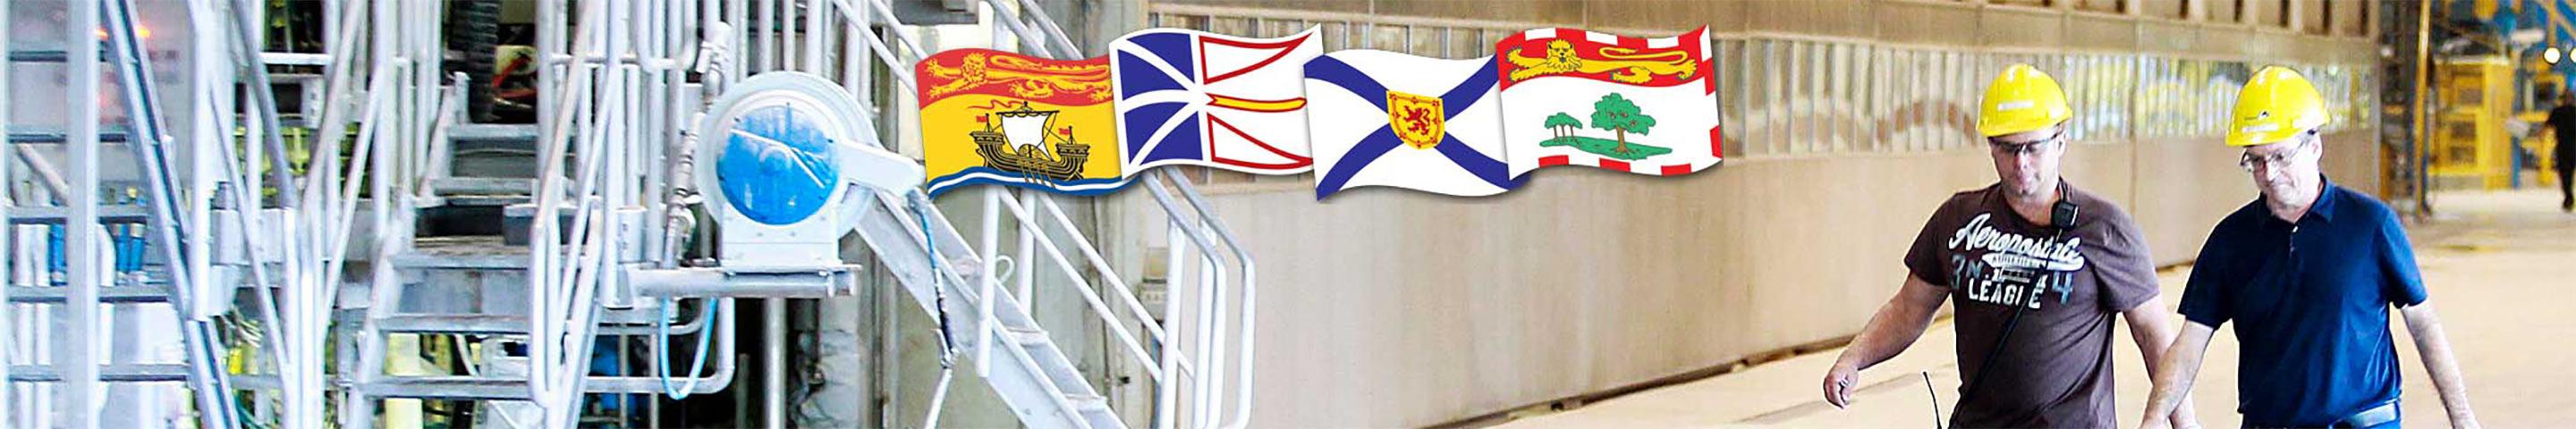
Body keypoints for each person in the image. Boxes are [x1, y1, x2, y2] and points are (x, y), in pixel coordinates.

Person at [1819, 63, 2193, 427]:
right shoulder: (1957, 219)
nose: (2020, 163)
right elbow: (1908, 309)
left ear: (2061, 141)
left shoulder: (2105, 229)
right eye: (2007, 148)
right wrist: (1853, 359)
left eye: (2033, 148)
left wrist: (2179, 422)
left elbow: (2154, 336)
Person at [2139, 66, 2479, 429]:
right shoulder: (2231, 240)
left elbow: (2423, 323)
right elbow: (2190, 342)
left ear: (2314, 146)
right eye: (2256, 160)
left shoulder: (2370, 225)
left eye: (2281, 157)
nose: (2268, 173)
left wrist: (2462, 417)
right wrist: (2156, 416)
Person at [2545, 89, 2576, 212]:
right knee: (2568, 173)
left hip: (2562, 147)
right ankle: (2569, 197)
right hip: (2573, 147)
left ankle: (2569, 197)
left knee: (2565, 174)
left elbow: (2546, 127)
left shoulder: (2557, 111)